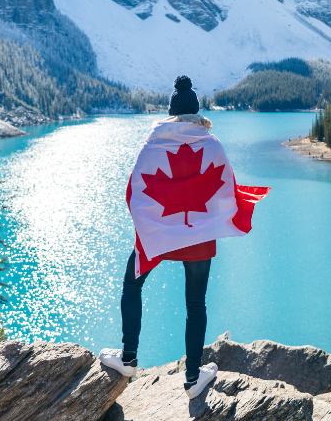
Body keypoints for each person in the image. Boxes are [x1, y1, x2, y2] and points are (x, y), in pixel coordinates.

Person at [99, 76, 269, 400]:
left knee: (132, 284)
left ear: (171, 112)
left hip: (159, 232)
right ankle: (193, 379)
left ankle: (128, 358)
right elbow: (226, 190)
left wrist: (148, 225)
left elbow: (134, 191)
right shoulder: (212, 143)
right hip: (200, 235)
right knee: (196, 303)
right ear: (197, 112)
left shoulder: (153, 143)